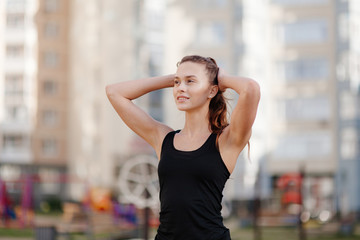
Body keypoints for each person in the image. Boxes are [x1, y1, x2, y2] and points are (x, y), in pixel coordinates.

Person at [106, 55, 261, 240]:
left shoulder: (226, 140)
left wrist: (222, 79)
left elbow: (251, 88)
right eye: (178, 82)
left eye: (190, 81)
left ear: (212, 90)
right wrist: (171, 79)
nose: (180, 88)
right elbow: (114, 92)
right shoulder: (163, 138)